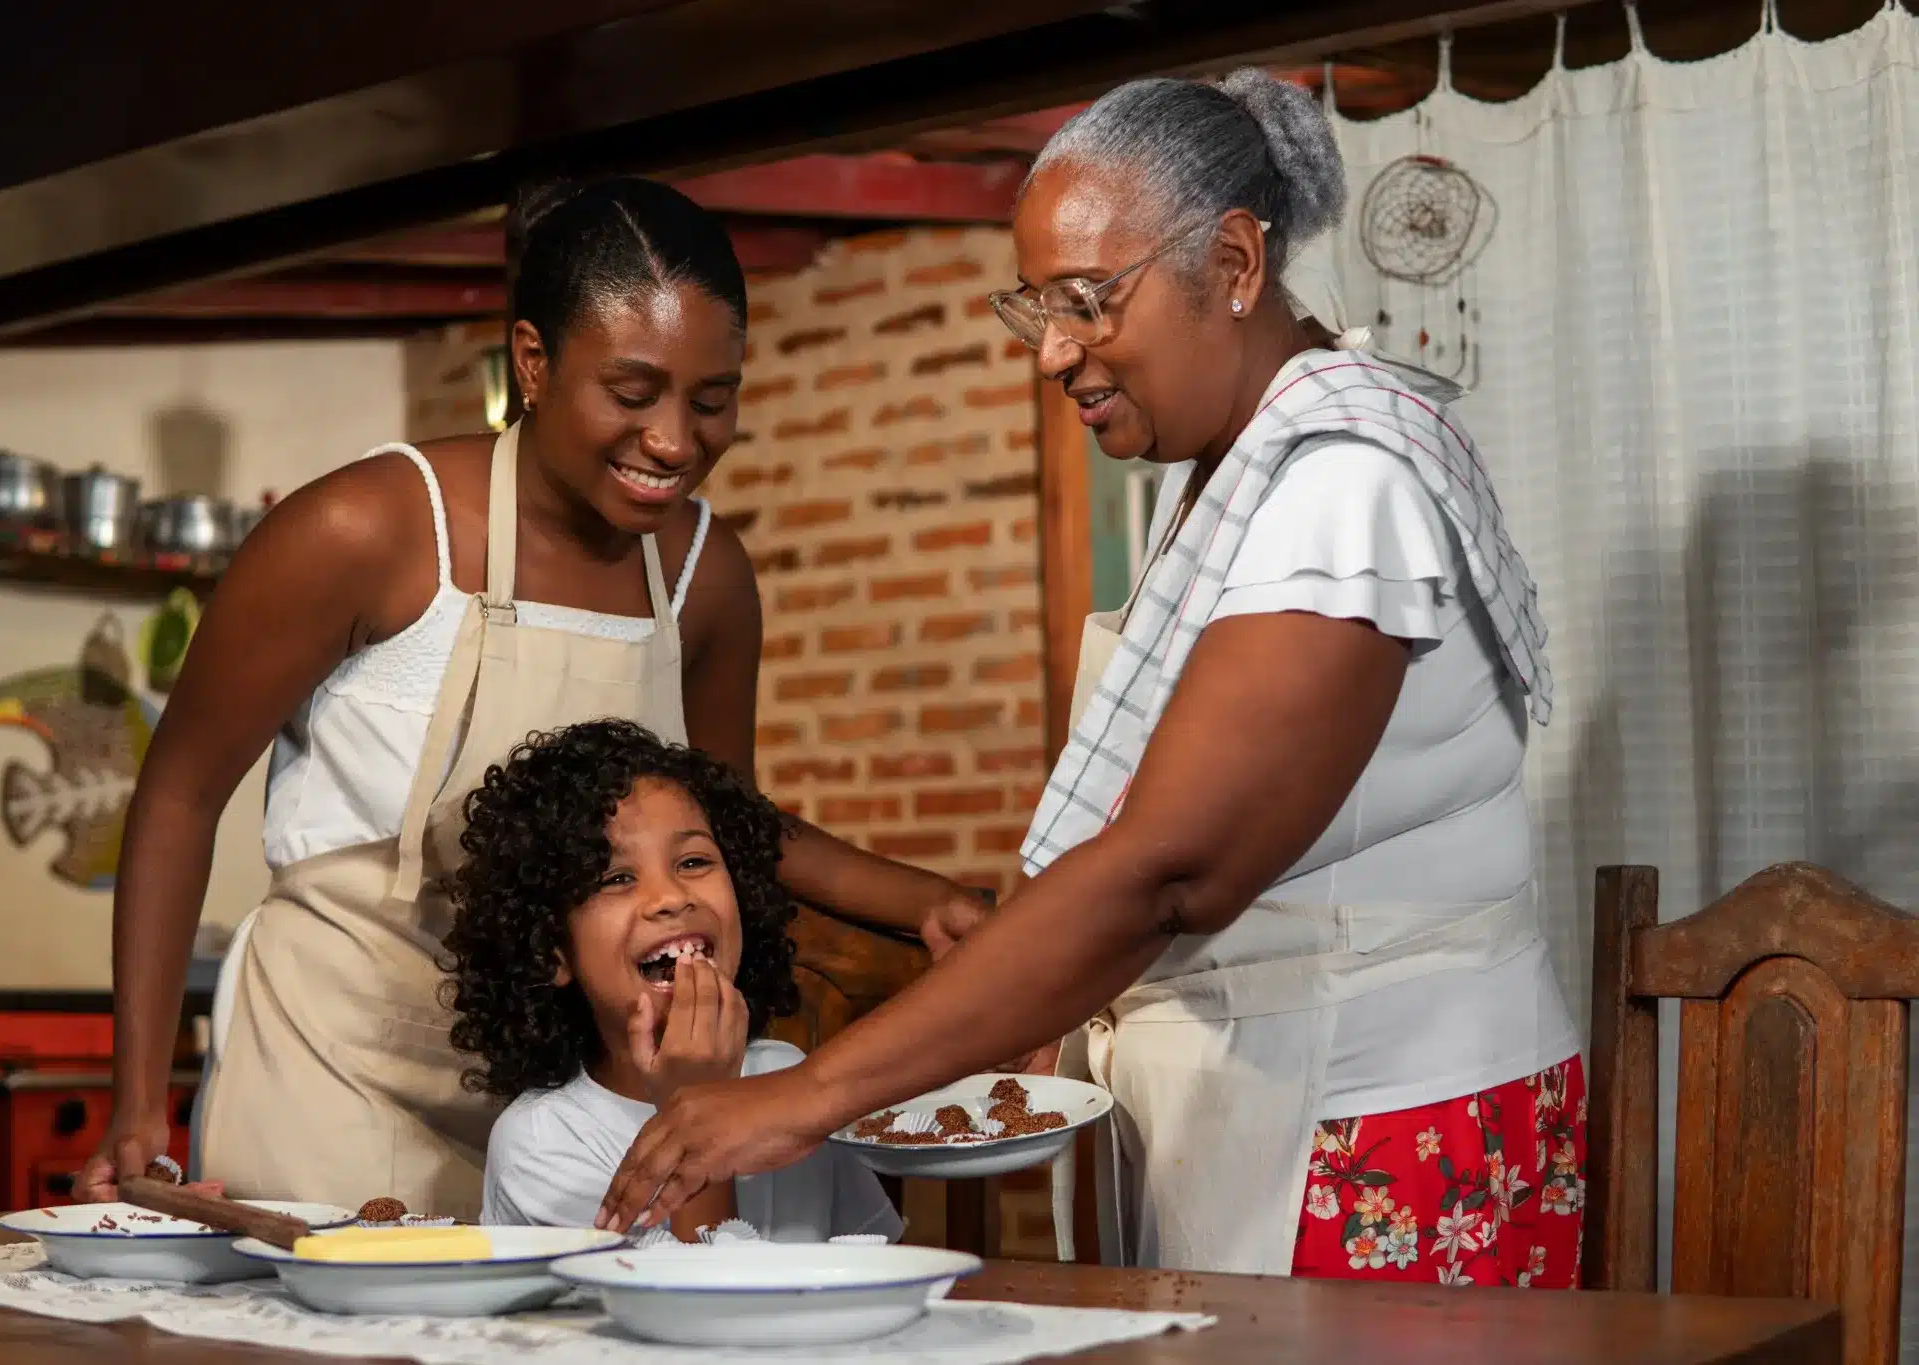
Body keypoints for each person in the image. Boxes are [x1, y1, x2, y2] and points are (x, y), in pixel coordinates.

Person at [595, 70, 1586, 1290]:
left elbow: (1171, 867)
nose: (1055, 351)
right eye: (1037, 308)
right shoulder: (1220, 474)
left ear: (1229, 264)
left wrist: (810, 1095)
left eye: (1087, 301)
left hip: (1373, 1117)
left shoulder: (1341, 483)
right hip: (1267, 1101)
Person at [76, 177, 984, 1220]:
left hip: (572, 1096)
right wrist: (138, 1097)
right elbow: (180, 793)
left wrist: (929, 904)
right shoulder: (365, 530)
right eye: (632, 395)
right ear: (533, 362)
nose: (676, 443)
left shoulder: (704, 576)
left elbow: (730, 824)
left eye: (711, 398)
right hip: (337, 1069)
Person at [455, 720, 902, 1243]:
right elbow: (700, 1313)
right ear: (553, 954)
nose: (671, 897)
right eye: (617, 878)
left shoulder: (788, 1080)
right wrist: (699, 1109)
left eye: (693, 862)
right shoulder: (544, 1141)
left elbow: (872, 1267)